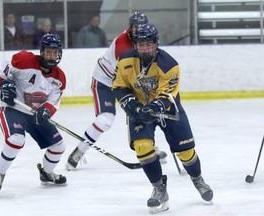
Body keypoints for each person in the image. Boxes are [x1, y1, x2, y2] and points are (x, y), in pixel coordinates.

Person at [112, 24, 213, 213]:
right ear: (135, 44)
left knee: (185, 152)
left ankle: (198, 179)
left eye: (149, 44)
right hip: (139, 110)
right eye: (141, 45)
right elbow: (119, 86)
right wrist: (131, 104)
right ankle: (159, 188)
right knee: (142, 147)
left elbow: (167, 94)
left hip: (168, 109)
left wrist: (151, 108)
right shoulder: (125, 60)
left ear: (156, 43)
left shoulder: (169, 64)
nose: (145, 48)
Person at [66, 12, 167, 170]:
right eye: (135, 27)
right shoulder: (123, 46)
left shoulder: (145, 41)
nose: (138, 30)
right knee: (105, 119)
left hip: (126, 81)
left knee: (143, 111)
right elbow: (126, 76)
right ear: (130, 27)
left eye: (141, 27)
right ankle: (78, 152)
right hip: (105, 82)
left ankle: (149, 147)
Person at [0, 34, 67, 192]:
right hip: (12, 108)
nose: (52, 56)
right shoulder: (25, 61)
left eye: (55, 52)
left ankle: (47, 174)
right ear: (41, 52)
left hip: (33, 114)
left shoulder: (59, 78)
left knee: (58, 146)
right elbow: (0, 69)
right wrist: (3, 83)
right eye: (48, 52)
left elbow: (54, 101)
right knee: (16, 139)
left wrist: (45, 111)